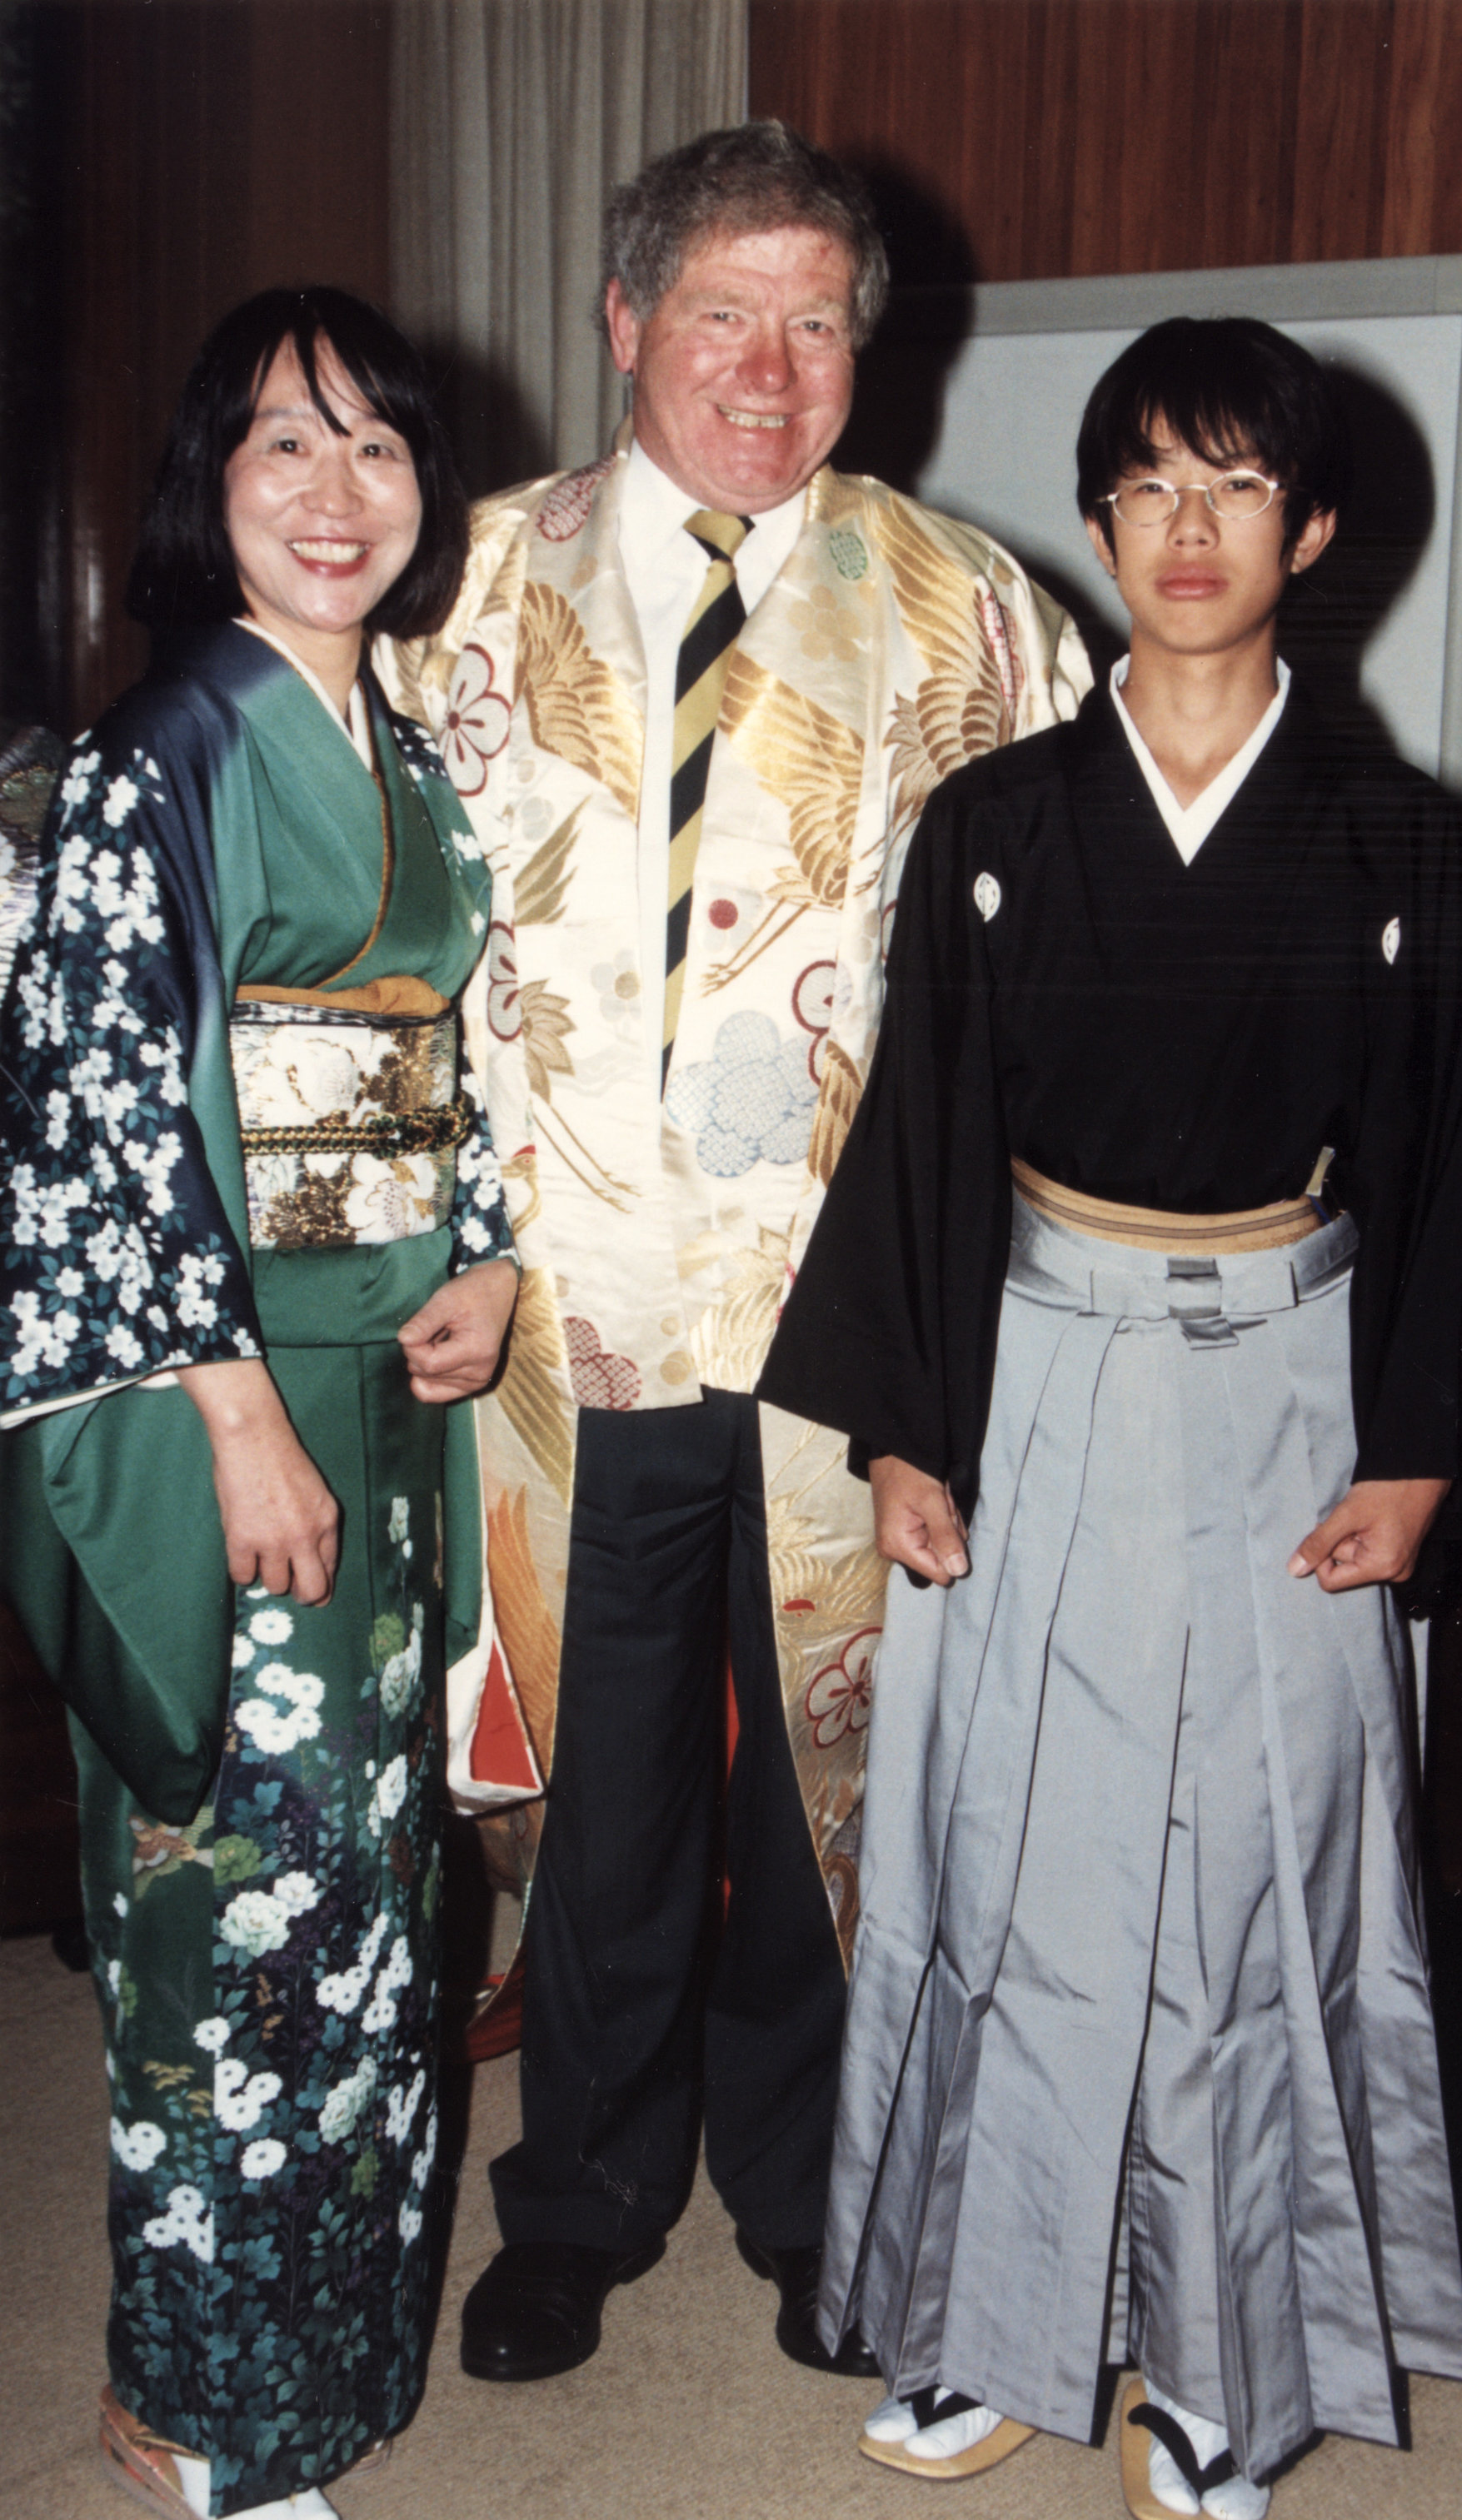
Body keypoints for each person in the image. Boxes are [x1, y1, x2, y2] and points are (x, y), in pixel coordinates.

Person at [757, 317, 1462, 2508]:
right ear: (1104, 515)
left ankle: (1229, 2358)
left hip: (1300, 1389)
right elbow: (922, 1136)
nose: (1188, 528)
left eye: (1238, 486)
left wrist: (1415, 1455)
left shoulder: (1416, 845)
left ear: (1311, 531)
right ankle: (991, 2321)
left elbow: (1445, 1170)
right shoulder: (1000, 823)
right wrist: (910, 1424)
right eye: (1148, 484)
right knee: (1007, 1860)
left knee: (1251, 1890)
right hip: (1040, 1366)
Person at [387, 118, 1089, 2386]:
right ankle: (575, 2199)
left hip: (836, 1317)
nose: (772, 369)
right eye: (723, 314)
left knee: (821, 1797)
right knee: (597, 1794)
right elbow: (378, 960)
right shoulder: (461, 593)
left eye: (816, 323)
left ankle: (816, 2194)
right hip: (552, 1311)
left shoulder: (971, 615)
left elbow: (1058, 983)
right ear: (626, 324)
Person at [0, 287, 518, 2519]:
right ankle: (192, 2400)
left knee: (369, 1899)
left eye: (377, 448)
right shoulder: (164, 753)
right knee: (230, 1902)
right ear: (212, 491)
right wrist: (226, 1414)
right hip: (237, 1392)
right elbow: (104, 1111)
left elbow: (446, 1069)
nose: (337, 496)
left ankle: (311, 2374)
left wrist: (484, 1255)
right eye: (285, 450)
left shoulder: (406, 754)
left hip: (388, 1392)